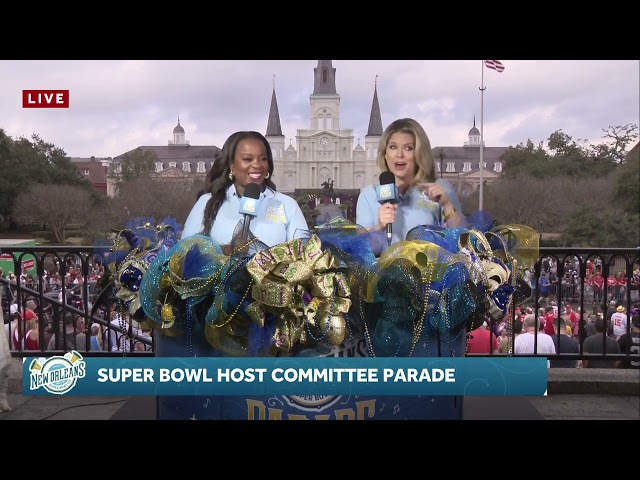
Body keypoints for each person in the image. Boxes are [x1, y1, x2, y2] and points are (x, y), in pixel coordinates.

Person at [181, 131, 309, 248]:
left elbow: (304, 256)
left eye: (263, 159)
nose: (257, 165)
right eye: (248, 159)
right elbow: (182, 255)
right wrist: (227, 250)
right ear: (232, 165)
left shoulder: (287, 205)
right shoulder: (207, 202)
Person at [355, 118, 465, 252]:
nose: (399, 154)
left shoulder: (440, 189)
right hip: (383, 272)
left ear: (419, 153)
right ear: (385, 154)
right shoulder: (369, 195)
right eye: (393, 147)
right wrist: (379, 227)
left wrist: (447, 205)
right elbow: (360, 252)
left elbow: (464, 244)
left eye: (408, 148)